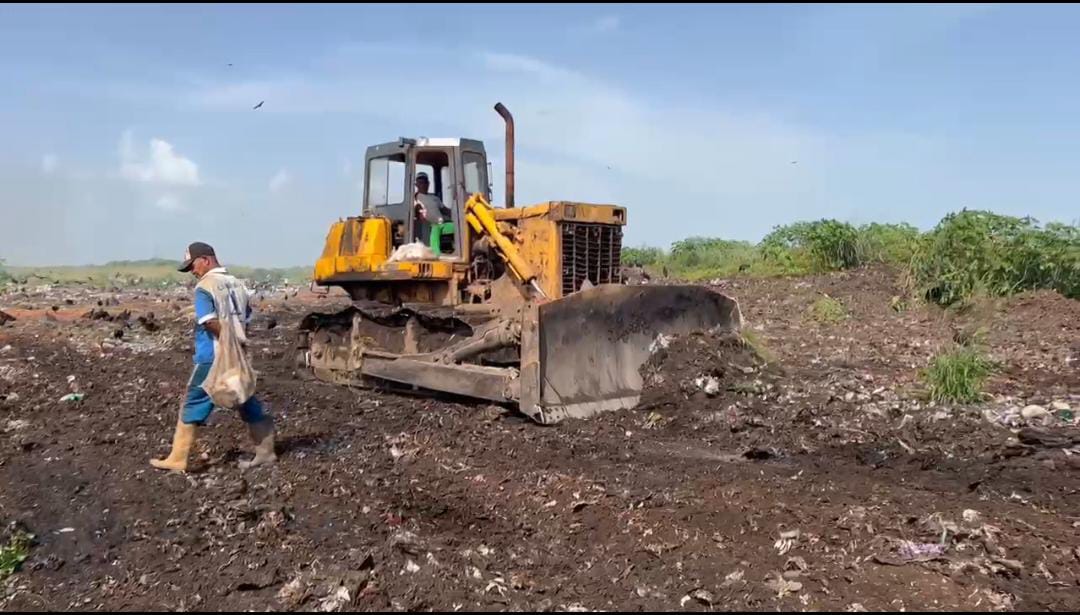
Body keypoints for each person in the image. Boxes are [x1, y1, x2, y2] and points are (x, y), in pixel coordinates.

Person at [150, 241, 277, 472]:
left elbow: (208, 321)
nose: (192, 272)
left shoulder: (205, 287)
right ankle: (266, 452)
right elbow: (246, 319)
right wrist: (238, 344)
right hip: (238, 354)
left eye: (193, 266)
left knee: (193, 401)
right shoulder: (237, 284)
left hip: (213, 355)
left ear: (206, 260)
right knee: (244, 396)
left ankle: (178, 458)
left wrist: (227, 341)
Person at [413, 172, 453, 249]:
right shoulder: (415, 198)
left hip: (442, 224)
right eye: (420, 183)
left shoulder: (435, 198)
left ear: (428, 184)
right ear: (416, 185)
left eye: (425, 182)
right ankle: (435, 253)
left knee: (459, 228)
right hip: (429, 226)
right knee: (435, 230)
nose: (423, 185)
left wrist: (459, 215)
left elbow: (445, 210)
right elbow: (416, 212)